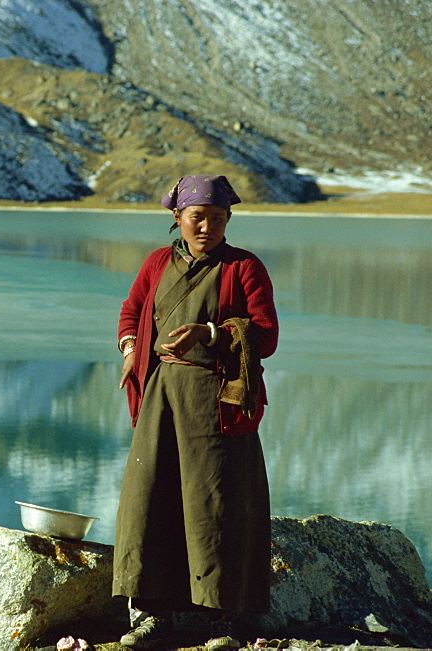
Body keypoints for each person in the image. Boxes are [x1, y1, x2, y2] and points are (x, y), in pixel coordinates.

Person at [112, 175, 279, 650]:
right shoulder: (157, 263)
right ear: (177, 219)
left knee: (216, 505)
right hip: (161, 395)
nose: (207, 226)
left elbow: (265, 335)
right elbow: (132, 310)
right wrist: (130, 349)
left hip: (217, 402)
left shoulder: (243, 267)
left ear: (229, 220)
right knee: (151, 499)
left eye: (217, 218)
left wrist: (210, 334)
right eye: (197, 217)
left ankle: (219, 621)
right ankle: (150, 616)